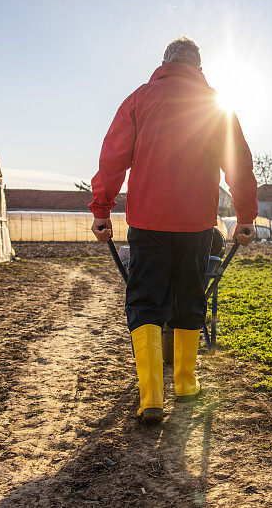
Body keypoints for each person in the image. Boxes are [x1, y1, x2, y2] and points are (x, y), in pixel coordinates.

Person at [89, 37, 258, 423]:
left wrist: (102, 209)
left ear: (164, 62)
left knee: (146, 302)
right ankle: (185, 383)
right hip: (198, 224)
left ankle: (151, 397)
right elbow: (239, 166)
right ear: (199, 67)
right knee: (189, 299)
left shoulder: (139, 99)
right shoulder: (216, 106)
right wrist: (246, 218)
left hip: (147, 222)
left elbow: (112, 157)